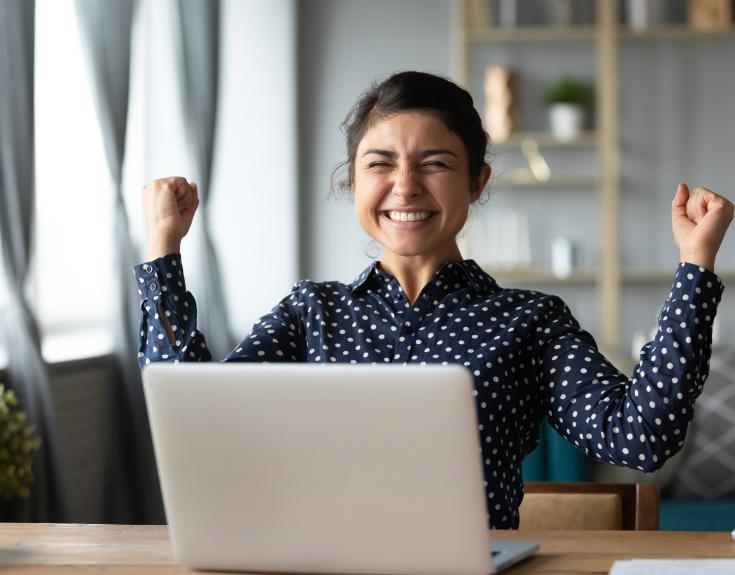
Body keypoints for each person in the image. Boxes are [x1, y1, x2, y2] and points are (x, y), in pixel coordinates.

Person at [135, 71, 734, 529]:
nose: (405, 185)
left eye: (434, 163)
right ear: (354, 181)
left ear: (477, 181)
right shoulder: (309, 313)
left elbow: (642, 437)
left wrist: (695, 266)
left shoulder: (530, 321)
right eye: (381, 164)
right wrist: (164, 249)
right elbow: (198, 422)